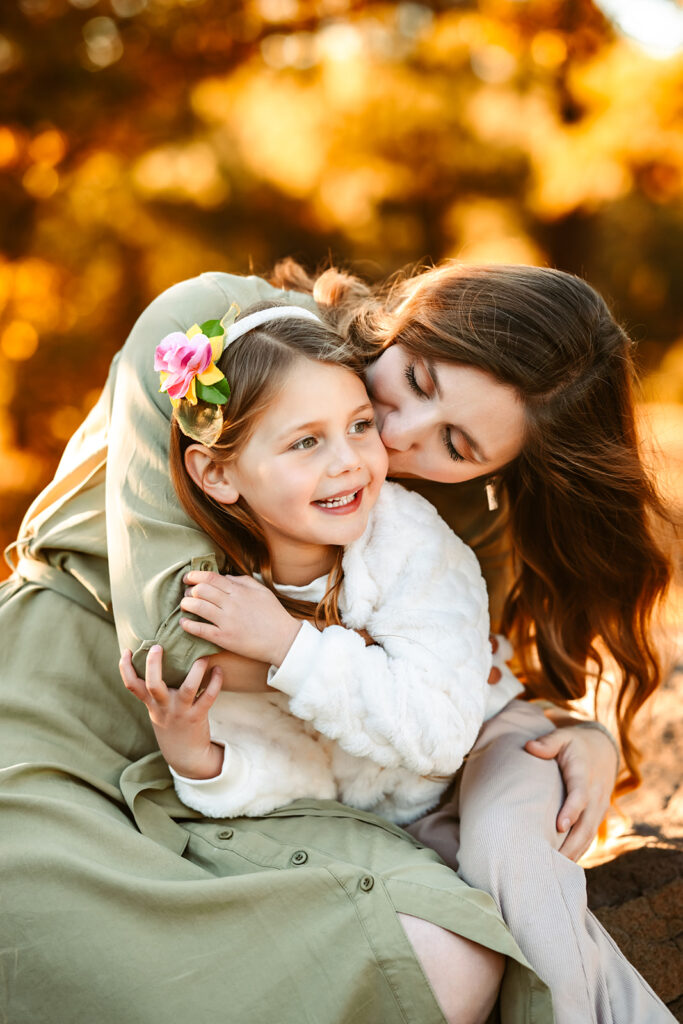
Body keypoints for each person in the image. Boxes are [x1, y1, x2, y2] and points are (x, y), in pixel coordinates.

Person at [0, 260, 672, 1022]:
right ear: (407, 318)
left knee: (451, 954)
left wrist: (564, 730)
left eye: (455, 444)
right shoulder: (210, 332)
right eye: (416, 379)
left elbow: (458, 677)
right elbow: (172, 652)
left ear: (502, 467)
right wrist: (373, 666)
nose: (393, 434)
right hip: (61, 721)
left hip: (261, 782)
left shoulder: (455, 512)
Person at [120, 301, 521, 823]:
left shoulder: (415, 545)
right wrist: (197, 758)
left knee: (512, 838)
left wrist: (289, 645)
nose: (350, 460)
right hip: (380, 824)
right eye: (306, 441)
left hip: (487, 750)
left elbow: (441, 735)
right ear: (218, 475)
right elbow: (298, 774)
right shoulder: (226, 590)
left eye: (360, 425)